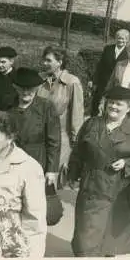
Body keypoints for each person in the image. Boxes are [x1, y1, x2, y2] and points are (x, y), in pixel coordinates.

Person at [68, 86, 130, 257]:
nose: (113, 107)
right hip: (92, 184)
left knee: (110, 232)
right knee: (87, 232)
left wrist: (128, 162)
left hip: (119, 186)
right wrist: (73, 174)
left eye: (119, 104)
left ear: (129, 107)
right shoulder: (91, 124)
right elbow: (78, 151)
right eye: (111, 103)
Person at [0, 111, 47, 257]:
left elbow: (34, 222)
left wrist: (32, 259)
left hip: (7, 246)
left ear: (10, 138)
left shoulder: (29, 168)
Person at [37, 46, 85, 188]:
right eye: (43, 60)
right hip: (38, 138)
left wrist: (76, 142)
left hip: (60, 139)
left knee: (52, 182)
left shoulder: (71, 82)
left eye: (48, 60)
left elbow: (77, 114)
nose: (44, 63)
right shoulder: (40, 79)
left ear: (60, 62)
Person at [9, 67, 61, 186]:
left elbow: (54, 141)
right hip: (11, 161)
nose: (26, 92)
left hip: (37, 160)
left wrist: (51, 169)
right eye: (22, 88)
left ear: (37, 89)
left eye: (30, 89)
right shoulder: (7, 105)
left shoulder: (46, 107)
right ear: (16, 87)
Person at [90, 29, 130, 116]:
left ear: (127, 40)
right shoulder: (108, 49)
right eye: (119, 38)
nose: (120, 40)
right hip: (103, 82)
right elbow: (100, 65)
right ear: (116, 38)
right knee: (96, 104)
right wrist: (94, 80)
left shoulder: (128, 53)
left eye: (123, 39)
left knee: (112, 106)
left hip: (116, 83)